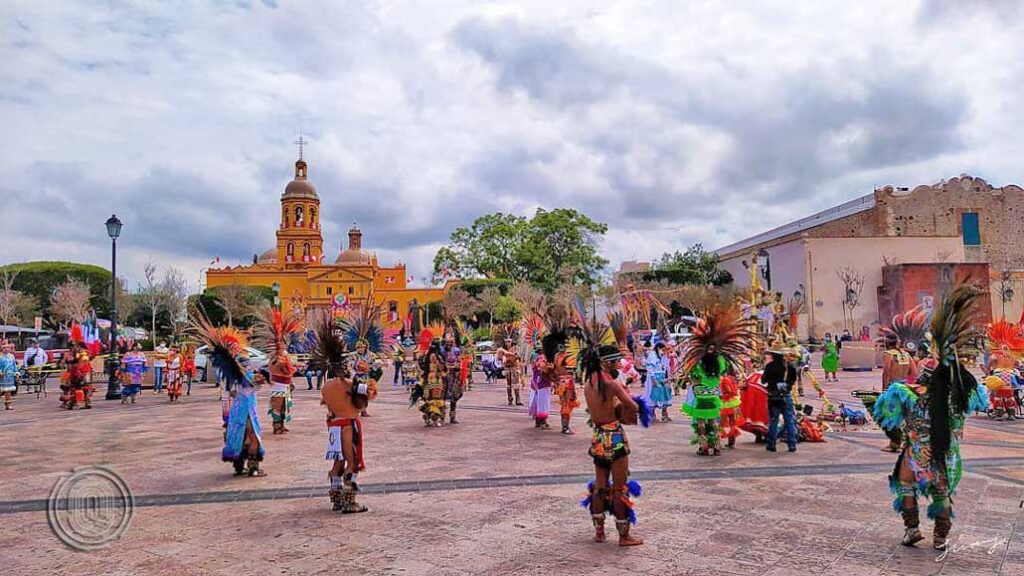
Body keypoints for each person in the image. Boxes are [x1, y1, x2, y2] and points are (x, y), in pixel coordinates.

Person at [873, 285, 989, 550]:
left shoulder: (908, 393)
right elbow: (977, 400)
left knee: (904, 483)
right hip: (947, 451)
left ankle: (912, 529)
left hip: (917, 451)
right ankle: (940, 537)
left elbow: (885, 411)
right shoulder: (960, 393)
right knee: (942, 492)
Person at [582, 344, 644, 547]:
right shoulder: (611, 385)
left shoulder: (589, 383)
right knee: (619, 488)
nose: (618, 364)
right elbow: (632, 406)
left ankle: (599, 532)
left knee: (600, 486)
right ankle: (624, 536)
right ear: (606, 362)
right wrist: (626, 405)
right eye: (616, 360)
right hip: (615, 438)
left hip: (599, 437)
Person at [680, 304, 754, 456]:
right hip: (714, 396)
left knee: (700, 422)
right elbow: (723, 370)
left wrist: (694, 380)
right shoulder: (720, 361)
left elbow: (692, 376)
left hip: (701, 397)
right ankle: (717, 447)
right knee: (714, 422)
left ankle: (704, 447)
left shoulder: (698, 363)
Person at [317, 321, 372, 514]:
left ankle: (336, 499)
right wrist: (367, 384)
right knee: (353, 462)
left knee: (337, 463)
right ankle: (349, 501)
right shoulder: (348, 383)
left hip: (333, 426)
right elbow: (365, 399)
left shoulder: (325, 387)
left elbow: (329, 406)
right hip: (349, 425)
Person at [763, 351, 797, 453]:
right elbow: (793, 379)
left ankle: (771, 444)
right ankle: (792, 445)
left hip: (773, 396)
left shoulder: (770, 366)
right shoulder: (789, 366)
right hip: (785, 395)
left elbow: (764, 380)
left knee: (773, 421)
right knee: (789, 420)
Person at [645, 342, 673, 423]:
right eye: (663, 350)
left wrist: (668, 378)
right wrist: (653, 379)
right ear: (658, 348)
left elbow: (666, 368)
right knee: (654, 396)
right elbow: (650, 367)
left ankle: (664, 415)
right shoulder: (652, 355)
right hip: (654, 378)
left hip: (663, 378)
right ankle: (652, 415)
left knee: (665, 395)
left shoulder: (664, 357)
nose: (664, 352)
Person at [718, 370, 745, 448]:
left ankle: (717, 443)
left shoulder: (725, 379)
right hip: (735, 402)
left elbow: (729, 391)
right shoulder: (733, 379)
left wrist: (723, 396)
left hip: (727, 403)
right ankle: (731, 442)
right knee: (733, 423)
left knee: (721, 424)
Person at [556, 346, 579, 434]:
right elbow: (571, 370)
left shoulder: (557, 356)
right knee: (568, 405)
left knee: (565, 404)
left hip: (561, 382)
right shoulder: (567, 357)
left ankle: (565, 426)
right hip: (568, 382)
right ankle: (565, 427)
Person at [441, 333, 462, 424]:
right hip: (444, 377)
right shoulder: (441, 351)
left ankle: (452, 417)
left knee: (455, 396)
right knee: (442, 397)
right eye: (447, 342)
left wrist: (458, 367)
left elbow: (459, 361)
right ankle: (441, 417)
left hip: (454, 376)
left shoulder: (456, 350)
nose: (449, 344)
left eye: (451, 342)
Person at [497, 338, 523, 406]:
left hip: (514, 367)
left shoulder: (516, 348)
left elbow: (519, 357)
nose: (507, 343)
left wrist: (513, 355)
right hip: (507, 368)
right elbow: (499, 358)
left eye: (509, 342)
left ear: (511, 342)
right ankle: (510, 399)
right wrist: (503, 356)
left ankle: (518, 399)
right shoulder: (501, 350)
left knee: (516, 384)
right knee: (509, 385)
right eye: (506, 342)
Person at [0, 341, 17, 410]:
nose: (6, 349)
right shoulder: (0, 357)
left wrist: (16, 373)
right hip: (1, 376)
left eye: (8, 348)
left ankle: (8, 404)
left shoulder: (12, 356)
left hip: (9, 376)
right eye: (4, 348)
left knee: (8, 390)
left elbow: (14, 366)